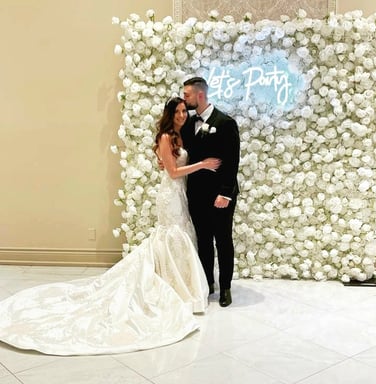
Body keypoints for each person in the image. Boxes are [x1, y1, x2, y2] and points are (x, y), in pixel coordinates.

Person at [0, 97, 220, 356]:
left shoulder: (180, 136)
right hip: (169, 195)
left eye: (185, 111)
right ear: (169, 114)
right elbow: (172, 173)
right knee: (171, 236)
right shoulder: (165, 137)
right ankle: (169, 285)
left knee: (181, 235)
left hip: (180, 195)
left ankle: (179, 284)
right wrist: (203, 165)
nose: (183, 115)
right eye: (178, 111)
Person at [181, 77, 240, 307]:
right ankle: (208, 283)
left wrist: (225, 193)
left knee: (223, 240)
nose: (184, 99)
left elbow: (232, 160)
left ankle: (225, 287)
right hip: (196, 193)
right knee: (203, 240)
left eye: (187, 95)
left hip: (220, 195)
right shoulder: (187, 123)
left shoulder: (225, 123)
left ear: (200, 96)